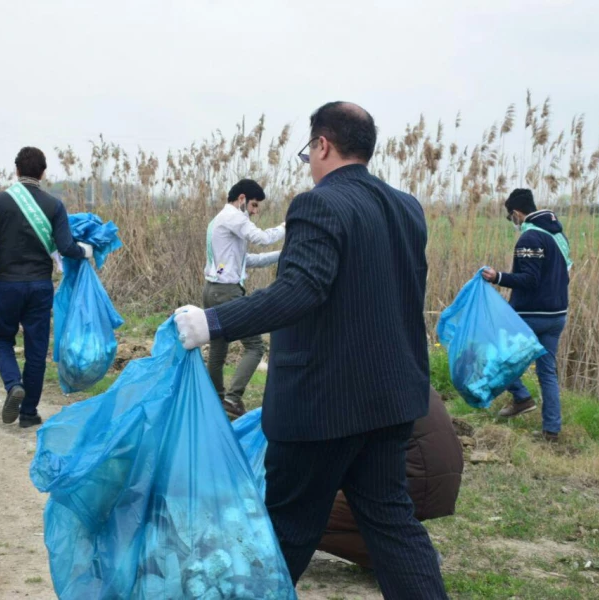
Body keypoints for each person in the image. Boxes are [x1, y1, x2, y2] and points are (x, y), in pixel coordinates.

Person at [175, 102, 448, 598]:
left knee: (287, 531)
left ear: (322, 145)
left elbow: (299, 291)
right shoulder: (407, 206)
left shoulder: (318, 203)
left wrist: (211, 322)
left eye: (308, 152)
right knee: (392, 525)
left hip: (324, 405)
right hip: (392, 400)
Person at [0, 147, 95, 428]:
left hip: (8, 285)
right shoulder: (54, 206)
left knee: (0, 340)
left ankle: (13, 386)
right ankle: (29, 413)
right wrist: (87, 252)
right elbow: (67, 247)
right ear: (43, 173)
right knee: (35, 351)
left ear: (17, 171)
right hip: (40, 287)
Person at [318, 388, 463, 569]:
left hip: (413, 480)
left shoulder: (345, 381)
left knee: (306, 517)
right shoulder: (397, 365)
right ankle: (406, 541)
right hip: (439, 477)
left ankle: (411, 555)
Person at [482, 188, 571, 442]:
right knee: (547, 373)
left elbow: (530, 280)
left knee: (495, 349)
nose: (513, 222)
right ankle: (551, 431)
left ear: (517, 213)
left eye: (511, 217)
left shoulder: (529, 238)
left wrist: (497, 277)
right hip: (557, 314)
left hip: (532, 314)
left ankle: (521, 397)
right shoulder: (557, 235)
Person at [203, 178, 284, 417]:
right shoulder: (235, 217)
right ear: (242, 199)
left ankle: (216, 402)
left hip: (211, 291)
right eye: (254, 205)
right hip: (227, 294)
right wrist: (288, 227)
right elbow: (262, 237)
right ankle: (232, 399)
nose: (255, 212)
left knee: (218, 350)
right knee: (255, 346)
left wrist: (283, 254)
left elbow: (246, 261)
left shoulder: (219, 220)